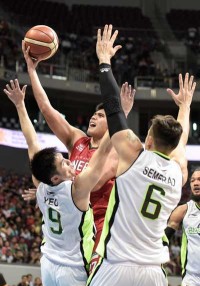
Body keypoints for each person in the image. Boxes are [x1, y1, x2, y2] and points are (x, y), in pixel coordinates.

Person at [81, 24, 196, 286]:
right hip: (154, 273)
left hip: (116, 267)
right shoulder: (178, 170)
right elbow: (181, 138)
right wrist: (185, 106)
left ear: (150, 141)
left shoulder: (134, 154)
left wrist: (105, 62)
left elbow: (112, 105)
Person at [22, 40, 135, 255]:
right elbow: (46, 109)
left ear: (111, 121)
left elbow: (93, 183)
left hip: (99, 227)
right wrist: (31, 70)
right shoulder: (78, 140)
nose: (94, 116)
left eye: (102, 115)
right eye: (94, 113)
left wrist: (49, 186)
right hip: (71, 223)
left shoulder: (114, 150)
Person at [4, 78, 112, 286]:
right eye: (64, 163)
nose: (70, 162)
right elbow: (100, 156)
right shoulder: (78, 191)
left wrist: (20, 105)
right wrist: (119, 118)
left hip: (48, 262)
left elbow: (31, 140)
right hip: (73, 268)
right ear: (55, 177)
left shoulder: (41, 186)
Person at [166, 168, 200, 286]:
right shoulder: (183, 210)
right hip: (193, 281)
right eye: (192, 180)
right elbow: (164, 238)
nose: (195, 183)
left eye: (199, 180)